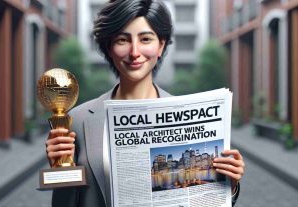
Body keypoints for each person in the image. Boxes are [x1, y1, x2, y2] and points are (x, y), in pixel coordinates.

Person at [45, 0, 245, 206]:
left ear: (161, 45)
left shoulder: (189, 114)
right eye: (122, 40)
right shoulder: (78, 119)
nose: (134, 52)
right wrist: (61, 171)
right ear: (109, 47)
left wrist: (229, 185)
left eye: (146, 39)